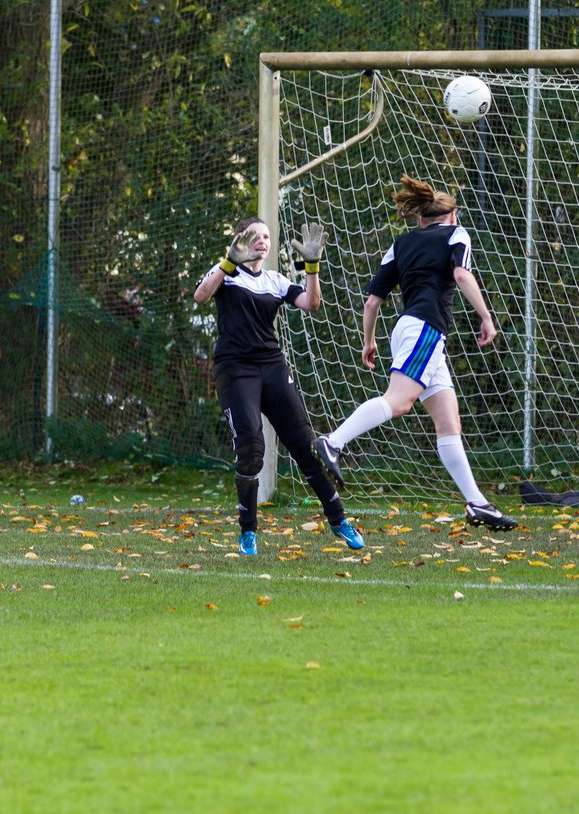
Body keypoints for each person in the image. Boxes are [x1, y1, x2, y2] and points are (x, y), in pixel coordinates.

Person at [315, 176, 518, 531]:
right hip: (424, 330)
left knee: (448, 422)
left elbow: (373, 300)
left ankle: (478, 504)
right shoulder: (457, 235)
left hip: (413, 332)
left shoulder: (402, 243)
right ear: (452, 216)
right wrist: (486, 317)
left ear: (421, 219)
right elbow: (461, 274)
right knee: (399, 402)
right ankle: (333, 441)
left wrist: (369, 340)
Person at [194, 217, 365, 555]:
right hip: (236, 371)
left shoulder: (274, 280)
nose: (262, 241)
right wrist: (228, 261)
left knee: (306, 447)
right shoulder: (225, 273)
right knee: (251, 450)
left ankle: (339, 520)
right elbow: (201, 295)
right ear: (240, 240)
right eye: (254, 236)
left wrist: (312, 268)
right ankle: (248, 533)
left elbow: (311, 304)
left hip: (272, 368)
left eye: (267, 236)